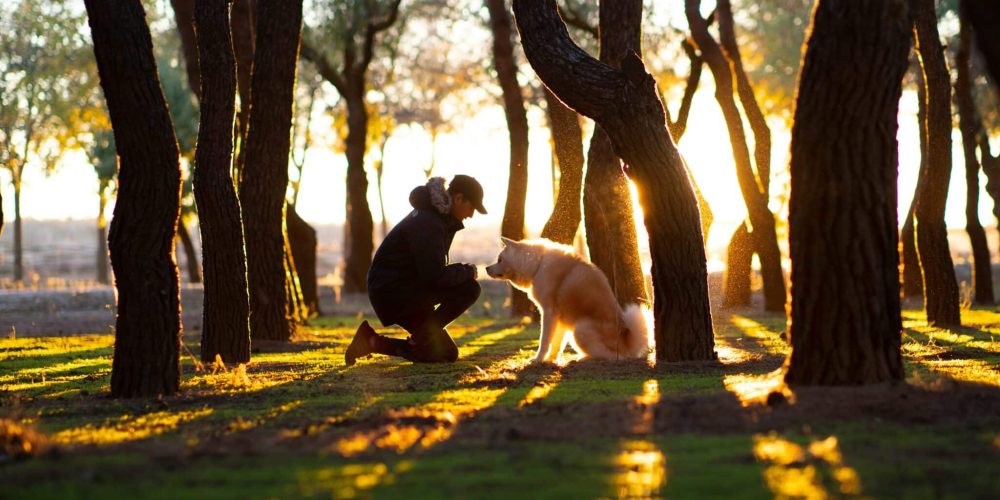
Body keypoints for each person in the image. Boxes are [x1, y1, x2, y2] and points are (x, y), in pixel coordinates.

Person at [345, 175, 487, 365]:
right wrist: (466, 272)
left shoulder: (436, 218)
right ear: (459, 198)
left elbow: (431, 270)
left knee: (444, 354)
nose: (470, 215)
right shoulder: (429, 223)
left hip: (403, 288)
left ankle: (370, 341)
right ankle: (417, 340)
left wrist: (462, 271)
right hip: (394, 292)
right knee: (469, 288)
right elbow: (434, 276)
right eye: (472, 207)